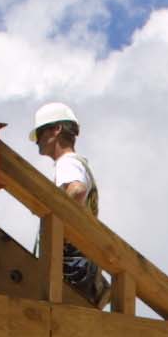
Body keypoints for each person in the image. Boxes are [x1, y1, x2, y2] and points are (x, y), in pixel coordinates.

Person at [32, 101, 109, 306]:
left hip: (72, 267)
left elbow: (77, 190)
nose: (36, 141)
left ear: (56, 129)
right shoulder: (76, 162)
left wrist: (55, 218)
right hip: (80, 266)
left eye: (39, 133)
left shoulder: (67, 162)